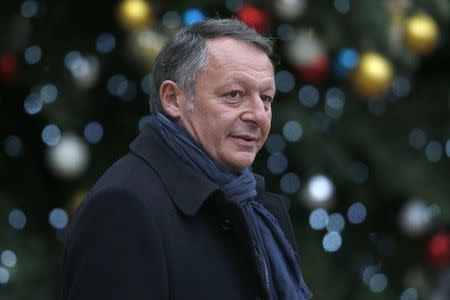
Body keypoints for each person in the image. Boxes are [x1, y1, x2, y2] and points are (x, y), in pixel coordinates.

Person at [62, 18, 312, 300]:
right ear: (173, 99)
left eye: (266, 98)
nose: (258, 114)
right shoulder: (124, 207)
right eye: (234, 94)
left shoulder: (258, 207)